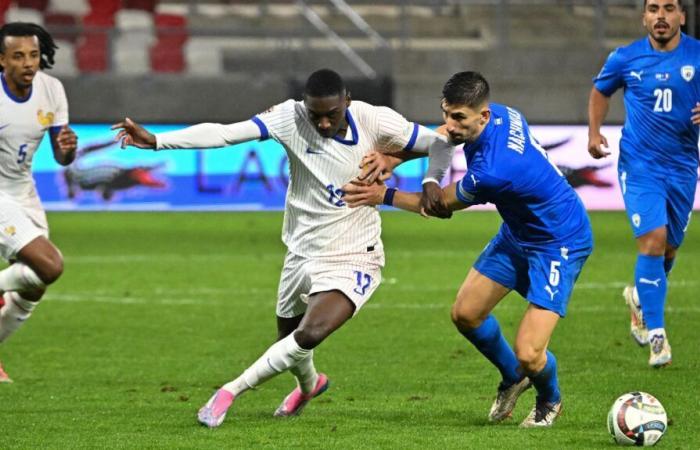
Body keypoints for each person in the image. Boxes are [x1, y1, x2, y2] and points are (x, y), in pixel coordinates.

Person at [112, 68, 454, 428]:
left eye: (331, 115)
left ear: (347, 102)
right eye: (315, 115)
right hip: (301, 252)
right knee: (288, 343)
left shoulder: (375, 119)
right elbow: (226, 134)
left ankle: (229, 391)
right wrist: (156, 141)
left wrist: (430, 180)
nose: (322, 123)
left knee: (308, 334)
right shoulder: (289, 117)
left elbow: (440, 142)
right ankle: (310, 386)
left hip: (355, 253)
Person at [343, 71, 593, 428]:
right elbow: (444, 137)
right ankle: (513, 377)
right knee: (466, 313)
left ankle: (549, 399)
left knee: (530, 351)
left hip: (559, 242)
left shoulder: (494, 170)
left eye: (458, 117)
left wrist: (382, 195)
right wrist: (393, 159)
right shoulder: (502, 114)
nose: (450, 123)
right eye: (446, 112)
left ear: (482, 116)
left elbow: (438, 206)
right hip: (518, 233)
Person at [587, 0, 699, 367]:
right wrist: (594, 132)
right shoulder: (625, 58)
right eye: (653, 8)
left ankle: (639, 298)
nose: (661, 16)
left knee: (668, 251)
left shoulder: (697, 55)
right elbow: (600, 91)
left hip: (683, 167)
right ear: (644, 17)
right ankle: (657, 336)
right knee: (652, 242)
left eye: (669, 8)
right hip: (640, 165)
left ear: (682, 15)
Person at [0, 22, 77, 383]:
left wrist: (67, 151)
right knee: (51, 264)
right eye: (18, 56)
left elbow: (62, 156)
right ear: (2, 60)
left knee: (34, 285)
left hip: (24, 192)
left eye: (33, 55)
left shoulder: (51, 89)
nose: (28, 63)